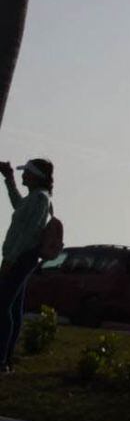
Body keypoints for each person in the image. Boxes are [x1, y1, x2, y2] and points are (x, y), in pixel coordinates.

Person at [0, 158, 54, 370]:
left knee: (2, 306)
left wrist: (10, 259)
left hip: (22, 257)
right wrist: (9, 179)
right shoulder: (35, 197)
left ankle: (2, 358)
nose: (23, 175)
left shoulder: (40, 199)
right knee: (13, 308)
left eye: (26, 172)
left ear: (36, 176)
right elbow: (18, 206)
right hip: (20, 257)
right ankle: (6, 358)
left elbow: (28, 233)